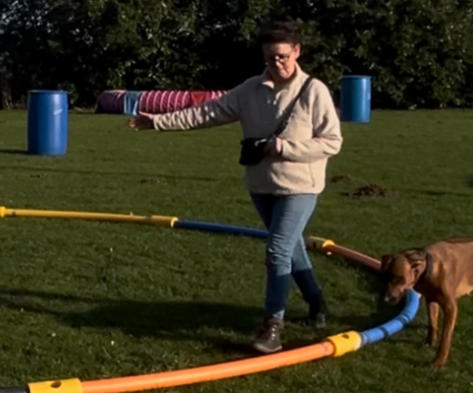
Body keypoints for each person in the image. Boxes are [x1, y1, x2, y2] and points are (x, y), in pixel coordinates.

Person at [129, 21, 343, 354]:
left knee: (277, 251)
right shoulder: (250, 90)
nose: (277, 64)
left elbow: (332, 142)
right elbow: (205, 113)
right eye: (271, 58)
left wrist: (285, 149)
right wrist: (157, 122)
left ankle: (273, 326)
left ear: (297, 51)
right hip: (261, 186)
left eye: (283, 57)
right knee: (290, 248)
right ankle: (317, 302)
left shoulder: (315, 91)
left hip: (301, 187)